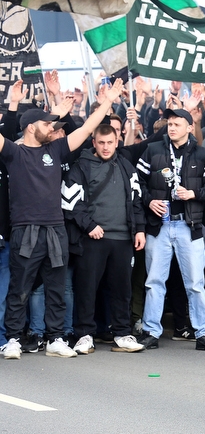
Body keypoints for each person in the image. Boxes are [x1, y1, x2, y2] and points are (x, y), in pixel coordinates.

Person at [1, 80, 124, 359]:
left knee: (56, 287)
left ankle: (55, 338)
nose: (53, 127)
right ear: (31, 127)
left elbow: (87, 128)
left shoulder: (54, 150)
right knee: (19, 288)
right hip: (25, 230)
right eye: (47, 124)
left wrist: (108, 102)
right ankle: (12, 339)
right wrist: (12, 102)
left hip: (56, 230)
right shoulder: (13, 153)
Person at [136, 108, 205, 352]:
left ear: (188, 127)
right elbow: (136, 182)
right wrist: (148, 200)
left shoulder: (202, 153)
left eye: (177, 124)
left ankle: (204, 334)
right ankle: (151, 332)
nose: (171, 127)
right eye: (169, 123)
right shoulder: (153, 150)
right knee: (154, 282)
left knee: (195, 282)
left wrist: (193, 193)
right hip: (160, 225)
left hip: (189, 226)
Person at [62, 124, 146, 353]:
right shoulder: (81, 166)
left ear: (117, 141)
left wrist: (139, 229)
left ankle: (122, 333)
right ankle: (84, 335)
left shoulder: (126, 166)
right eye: (101, 142)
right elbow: (69, 202)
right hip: (92, 238)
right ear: (94, 143)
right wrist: (89, 225)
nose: (106, 147)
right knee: (87, 289)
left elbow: (137, 200)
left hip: (123, 238)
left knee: (122, 290)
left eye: (110, 142)